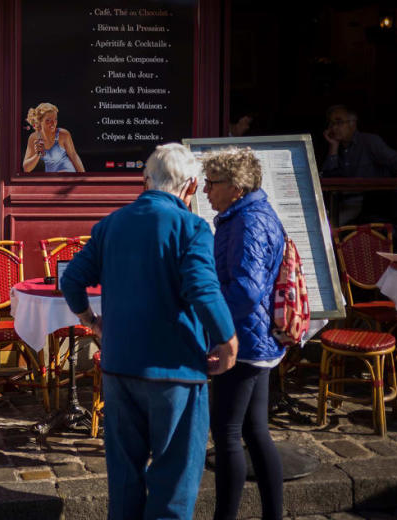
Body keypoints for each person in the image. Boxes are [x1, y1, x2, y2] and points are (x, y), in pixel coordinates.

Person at [60, 143, 238, 520]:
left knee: (124, 477)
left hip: (120, 365)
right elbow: (202, 288)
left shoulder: (112, 223)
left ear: (145, 180)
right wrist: (227, 337)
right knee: (174, 479)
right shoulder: (191, 227)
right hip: (174, 370)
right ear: (191, 186)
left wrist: (91, 321)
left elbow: (72, 279)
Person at [202, 147, 285, 520]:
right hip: (256, 338)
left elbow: (246, 290)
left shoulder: (248, 221)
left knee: (227, 434)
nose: (205, 190)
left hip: (244, 342)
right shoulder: (246, 214)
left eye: (212, 183)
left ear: (235, 187)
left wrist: (220, 330)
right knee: (254, 431)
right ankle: (272, 514)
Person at [321, 104, 397, 224]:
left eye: (339, 122)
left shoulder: (369, 142)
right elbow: (326, 177)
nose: (333, 128)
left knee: (330, 227)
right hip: (338, 202)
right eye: (331, 123)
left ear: (353, 123)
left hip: (368, 204)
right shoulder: (336, 146)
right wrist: (333, 146)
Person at [22, 102, 85, 173]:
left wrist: (84, 178)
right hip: (51, 175)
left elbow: (74, 156)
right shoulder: (34, 138)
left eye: (55, 119)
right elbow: (26, 168)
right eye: (48, 120)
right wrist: (37, 155)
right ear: (40, 121)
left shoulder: (63, 134)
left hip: (67, 172)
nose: (53, 123)